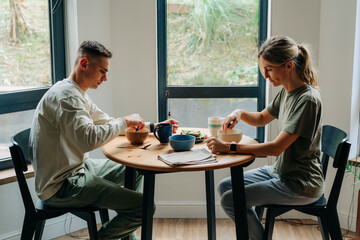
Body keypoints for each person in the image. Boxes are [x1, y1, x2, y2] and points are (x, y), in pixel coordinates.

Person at [29, 40, 179, 240]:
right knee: (144, 206)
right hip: (61, 185)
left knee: (135, 171)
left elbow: (107, 123)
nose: (105, 78)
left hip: (78, 169)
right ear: (84, 64)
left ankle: (126, 235)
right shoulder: (67, 97)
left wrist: (154, 126)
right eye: (102, 71)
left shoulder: (75, 92)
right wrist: (124, 121)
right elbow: (88, 140)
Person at [205, 36, 323, 240]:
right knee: (225, 186)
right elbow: (261, 118)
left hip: (300, 183)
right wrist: (238, 113)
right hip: (282, 171)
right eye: (263, 69)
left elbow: (276, 148)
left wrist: (230, 148)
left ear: (287, 66)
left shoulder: (308, 100)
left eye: (269, 69)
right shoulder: (287, 91)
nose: (266, 76)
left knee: (231, 200)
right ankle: (256, 235)